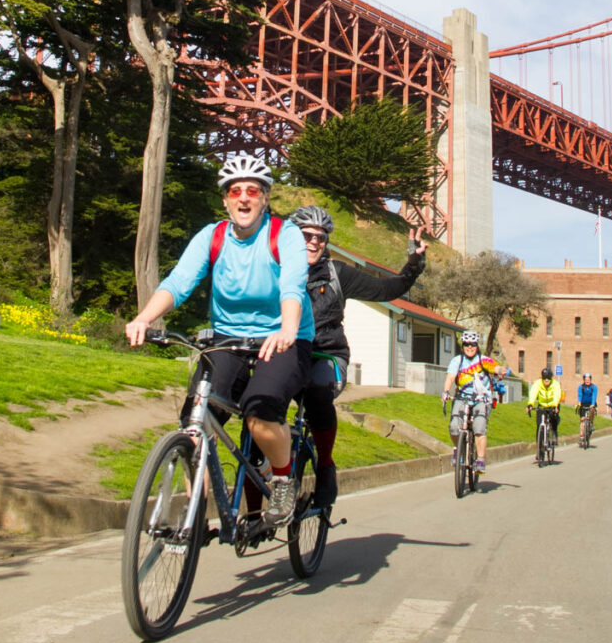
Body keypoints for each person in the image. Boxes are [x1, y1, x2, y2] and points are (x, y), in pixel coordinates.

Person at [125, 154, 315, 528]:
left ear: (265, 198)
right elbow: (178, 283)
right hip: (229, 337)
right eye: (235, 191)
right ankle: (198, 506)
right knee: (194, 421)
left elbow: (292, 284)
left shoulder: (284, 234)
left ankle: (281, 479)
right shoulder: (212, 236)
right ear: (225, 200)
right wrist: (145, 318)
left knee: (260, 416)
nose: (243, 198)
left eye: (253, 191)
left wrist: (288, 327)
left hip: (283, 338)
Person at [289, 204, 427, 507]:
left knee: (317, 394)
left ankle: (325, 466)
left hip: (326, 354)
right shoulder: (274, 270)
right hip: (287, 353)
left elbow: (387, 288)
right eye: (307, 235)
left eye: (321, 238)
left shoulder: (337, 274)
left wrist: (414, 263)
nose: (314, 242)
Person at [442, 330, 510, 475]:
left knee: (479, 428)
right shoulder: (457, 361)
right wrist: (446, 392)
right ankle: (457, 449)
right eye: (467, 344)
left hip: (481, 399)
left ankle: (480, 459)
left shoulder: (483, 360)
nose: (470, 347)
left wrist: (500, 370)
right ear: (463, 345)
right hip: (462, 397)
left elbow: (495, 367)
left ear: (477, 345)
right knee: (454, 426)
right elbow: (450, 377)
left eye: (473, 344)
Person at [527, 366, 563, 459]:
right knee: (539, 426)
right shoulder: (538, 383)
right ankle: (539, 451)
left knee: (554, 419)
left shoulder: (555, 384)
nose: (546, 380)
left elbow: (557, 394)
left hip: (552, 405)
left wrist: (555, 405)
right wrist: (530, 404)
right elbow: (533, 393)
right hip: (542, 406)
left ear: (551, 378)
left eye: (548, 379)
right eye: (544, 378)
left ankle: (554, 433)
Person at [576, 372, 598, 446]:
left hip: (591, 404)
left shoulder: (594, 387)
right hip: (583, 404)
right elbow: (580, 395)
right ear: (584, 380)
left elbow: (594, 395)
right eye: (586, 379)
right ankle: (581, 437)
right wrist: (579, 403)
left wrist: (592, 404)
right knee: (582, 421)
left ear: (590, 380)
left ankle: (591, 424)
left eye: (588, 379)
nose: (587, 381)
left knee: (591, 412)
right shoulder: (581, 387)